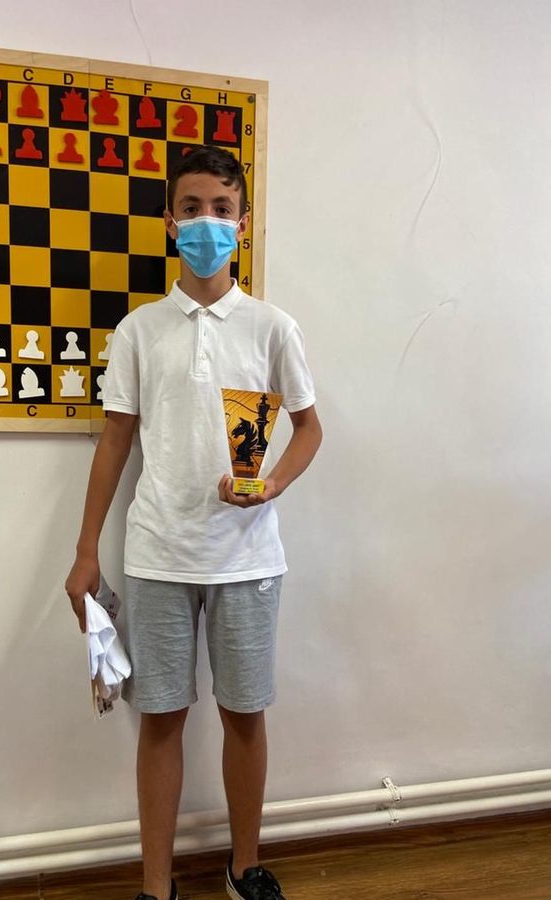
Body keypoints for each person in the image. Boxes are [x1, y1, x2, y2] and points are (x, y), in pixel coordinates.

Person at [65, 146, 322, 900]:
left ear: (242, 222)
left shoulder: (272, 327)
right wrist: (85, 552)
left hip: (247, 558)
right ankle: (157, 886)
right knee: (161, 720)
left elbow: (308, 428)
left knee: (246, 716)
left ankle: (244, 867)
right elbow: (115, 441)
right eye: (191, 208)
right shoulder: (139, 330)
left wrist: (269, 485)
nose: (206, 221)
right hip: (157, 556)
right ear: (169, 222)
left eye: (221, 208)